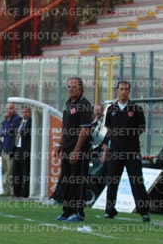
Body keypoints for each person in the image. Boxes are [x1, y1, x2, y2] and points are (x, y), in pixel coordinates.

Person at [100, 80, 151, 222]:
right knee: (112, 181)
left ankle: (144, 211)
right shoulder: (111, 109)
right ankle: (109, 210)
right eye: (121, 89)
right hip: (115, 151)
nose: (123, 91)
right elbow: (109, 129)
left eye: (126, 89)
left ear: (129, 91)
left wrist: (129, 134)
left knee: (136, 181)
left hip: (132, 151)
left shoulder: (136, 109)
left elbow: (142, 128)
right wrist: (106, 149)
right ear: (117, 90)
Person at [55, 77, 93, 222]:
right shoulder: (68, 104)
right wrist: (60, 145)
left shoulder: (84, 104)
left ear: (81, 88)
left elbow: (84, 130)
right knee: (67, 180)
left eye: (74, 86)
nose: (71, 89)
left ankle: (78, 212)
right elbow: (66, 128)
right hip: (67, 147)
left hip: (79, 150)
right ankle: (66, 211)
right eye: (69, 86)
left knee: (78, 181)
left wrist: (76, 151)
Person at [0, 103, 21, 196]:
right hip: (3, 148)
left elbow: (11, 130)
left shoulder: (17, 119)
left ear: (15, 109)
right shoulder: (8, 119)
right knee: (4, 170)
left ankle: (11, 190)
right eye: (7, 109)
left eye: (10, 108)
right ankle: (5, 190)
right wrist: (5, 128)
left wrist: (4, 121)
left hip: (10, 148)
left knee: (10, 171)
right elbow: (0, 132)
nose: (8, 111)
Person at [13, 106, 32, 198]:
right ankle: (17, 192)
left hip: (25, 150)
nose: (24, 114)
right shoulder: (20, 122)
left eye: (26, 112)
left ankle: (26, 193)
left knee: (26, 172)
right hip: (17, 149)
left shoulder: (31, 123)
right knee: (16, 171)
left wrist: (27, 150)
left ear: (30, 113)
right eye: (23, 112)